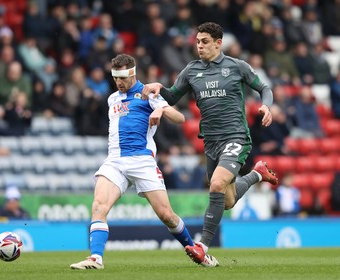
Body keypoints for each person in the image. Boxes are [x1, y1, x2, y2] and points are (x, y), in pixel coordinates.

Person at [142, 22, 279, 266]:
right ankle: (256, 174)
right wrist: (158, 88)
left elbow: (264, 87)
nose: (199, 46)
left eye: (204, 41)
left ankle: (202, 246)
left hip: (236, 137)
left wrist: (266, 105)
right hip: (211, 142)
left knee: (216, 184)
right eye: (197, 42)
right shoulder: (191, 70)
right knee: (226, 200)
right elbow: (173, 96)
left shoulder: (236, 66)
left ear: (218, 43)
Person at [70, 54, 218, 270]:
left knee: (167, 216)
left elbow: (180, 119)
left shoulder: (148, 92)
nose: (119, 82)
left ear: (132, 73)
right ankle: (96, 259)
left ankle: (198, 252)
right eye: (115, 78)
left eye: (122, 77)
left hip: (142, 161)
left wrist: (161, 108)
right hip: (115, 161)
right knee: (99, 206)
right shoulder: (112, 99)